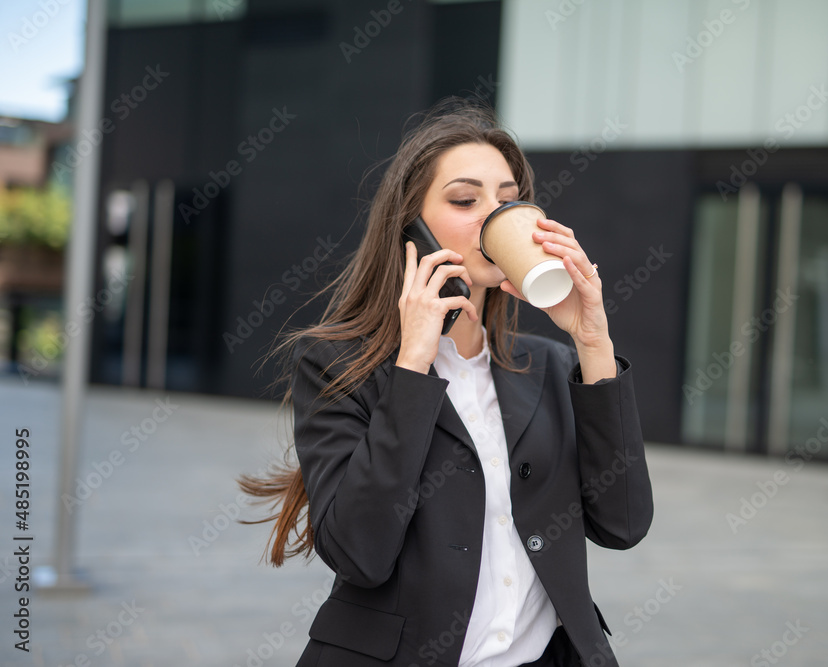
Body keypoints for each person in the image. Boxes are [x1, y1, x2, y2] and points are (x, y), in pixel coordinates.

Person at [240, 98, 654, 667]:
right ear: (411, 227)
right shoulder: (334, 362)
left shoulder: (552, 365)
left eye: (508, 200)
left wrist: (593, 342)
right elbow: (360, 554)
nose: (494, 216)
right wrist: (414, 362)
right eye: (465, 200)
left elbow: (623, 524)